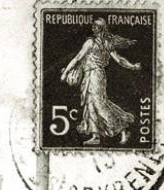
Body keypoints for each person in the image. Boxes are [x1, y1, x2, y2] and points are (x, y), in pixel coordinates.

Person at [60, 18, 142, 146]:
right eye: (93, 26)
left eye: (96, 26)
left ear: (101, 28)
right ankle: (95, 136)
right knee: (90, 104)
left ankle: (122, 128)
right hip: (89, 75)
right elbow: (78, 58)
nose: (93, 28)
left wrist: (65, 73)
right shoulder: (100, 42)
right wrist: (133, 66)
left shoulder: (94, 43)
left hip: (96, 75)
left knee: (99, 104)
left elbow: (78, 58)